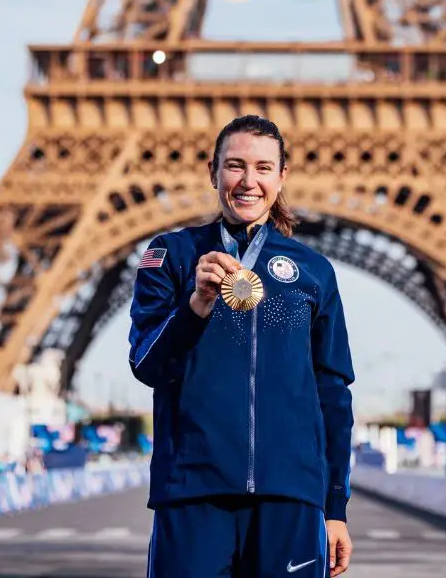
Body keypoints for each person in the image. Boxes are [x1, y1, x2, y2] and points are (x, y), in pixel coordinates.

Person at [128, 115, 355, 577]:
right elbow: (147, 364)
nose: (248, 181)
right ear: (213, 171)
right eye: (235, 166)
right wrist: (195, 306)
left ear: (282, 176)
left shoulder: (313, 271)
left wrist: (335, 508)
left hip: (290, 497)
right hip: (194, 491)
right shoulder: (172, 256)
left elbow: (332, 394)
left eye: (263, 168)